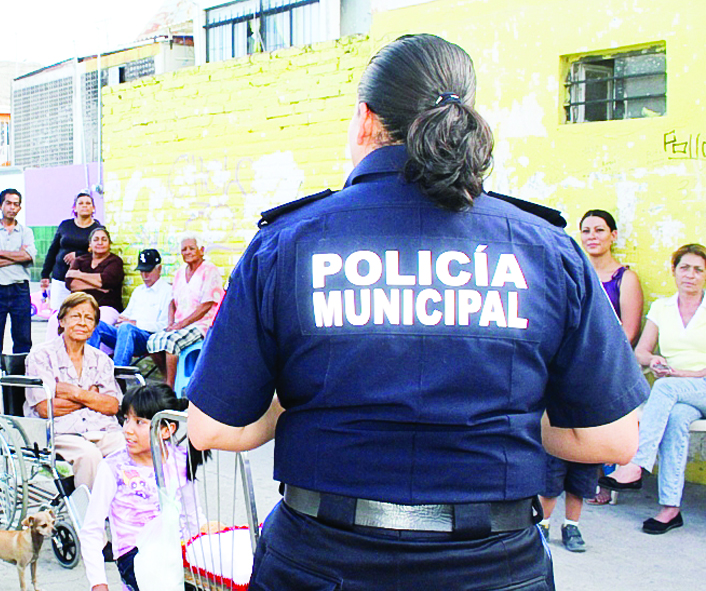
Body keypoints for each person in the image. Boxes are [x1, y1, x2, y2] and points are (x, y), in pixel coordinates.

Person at [185, 34, 646, 590]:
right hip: (494, 567)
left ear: (364, 120)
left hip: (320, 562)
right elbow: (612, 439)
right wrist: (510, 418)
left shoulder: (288, 242)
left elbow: (211, 428)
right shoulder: (545, 247)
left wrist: (300, 403)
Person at [538, 210, 644, 547]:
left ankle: (572, 524)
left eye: (600, 230)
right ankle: (543, 524)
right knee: (553, 462)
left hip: (597, 372)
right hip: (562, 375)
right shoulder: (568, 270)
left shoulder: (625, 278)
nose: (592, 236)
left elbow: (626, 334)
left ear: (613, 235)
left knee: (584, 462)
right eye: (586, 230)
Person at [601, 243, 706, 535]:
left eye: (698, 270)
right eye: (685, 268)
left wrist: (679, 374)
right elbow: (641, 352)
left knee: (665, 388)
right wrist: (655, 361)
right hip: (679, 394)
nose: (691, 275)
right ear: (674, 271)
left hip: (698, 386)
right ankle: (670, 509)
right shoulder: (663, 308)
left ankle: (636, 464)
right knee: (676, 418)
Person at [79, 383, 199, 591]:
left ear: (166, 430)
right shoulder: (114, 467)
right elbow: (91, 529)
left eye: (139, 422)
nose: (127, 430)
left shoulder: (181, 460)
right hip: (133, 553)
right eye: (126, 419)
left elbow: (193, 516)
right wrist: (98, 583)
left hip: (176, 548)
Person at [26, 292, 125, 490]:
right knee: (89, 455)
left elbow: (112, 406)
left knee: (134, 444)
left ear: (94, 326)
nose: (82, 323)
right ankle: (89, 507)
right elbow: (45, 408)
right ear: (61, 321)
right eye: (76, 316)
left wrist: (75, 393)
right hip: (60, 432)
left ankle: (128, 503)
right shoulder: (41, 356)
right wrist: (92, 397)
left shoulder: (102, 360)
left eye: (89, 318)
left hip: (101, 428)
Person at [0, 188, 36, 397]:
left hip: (20, 289)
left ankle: (21, 378)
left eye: (16, 204)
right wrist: (17, 256)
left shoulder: (26, 232)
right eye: (8, 203)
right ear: (0, 206)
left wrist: (1, 253)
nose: (12, 207)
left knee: (23, 337)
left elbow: (29, 257)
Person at [145, 236, 224, 386]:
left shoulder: (210, 270)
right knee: (152, 341)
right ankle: (168, 378)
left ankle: (170, 387)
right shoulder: (180, 273)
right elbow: (172, 302)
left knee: (171, 343)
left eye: (191, 248)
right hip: (180, 325)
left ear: (201, 250)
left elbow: (206, 304)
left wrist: (181, 324)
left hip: (202, 324)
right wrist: (171, 324)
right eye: (184, 249)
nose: (187, 252)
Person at [90, 249, 173, 366]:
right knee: (95, 324)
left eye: (148, 271)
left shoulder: (168, 292)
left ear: (159, 269)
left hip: (148, 338)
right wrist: (121, 319)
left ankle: (119, 369)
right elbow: (126, 315)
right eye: (142, 271)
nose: (144, 275)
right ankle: (88, 366)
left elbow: (164, 326)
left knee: (127, 328)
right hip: (125, 334)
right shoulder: (138, 291)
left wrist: (135, 324)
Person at [41, 192, 102, 311]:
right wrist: (45, 274)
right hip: (60, 277)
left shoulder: (97, 229)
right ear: (75, 208)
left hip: (84, 280)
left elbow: (100, 252)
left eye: (88, 203)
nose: (84, 206)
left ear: (93, 208)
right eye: (81, 203)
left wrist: (79, 255)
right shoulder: (65, 225)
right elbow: (53, 250)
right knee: (59, 313)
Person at [66, 227, 125, 326]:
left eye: (104, 239)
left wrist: (79, 275)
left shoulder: (115, 261)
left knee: (97, 324)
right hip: (80, 306)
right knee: (56, 320)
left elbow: (107, 281)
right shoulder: (80, 260)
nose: (100, 243)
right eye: (96, 240)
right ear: (90, 244)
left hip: (106, 308)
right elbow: (71, 284)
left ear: (109, 243)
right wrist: (98, 286)